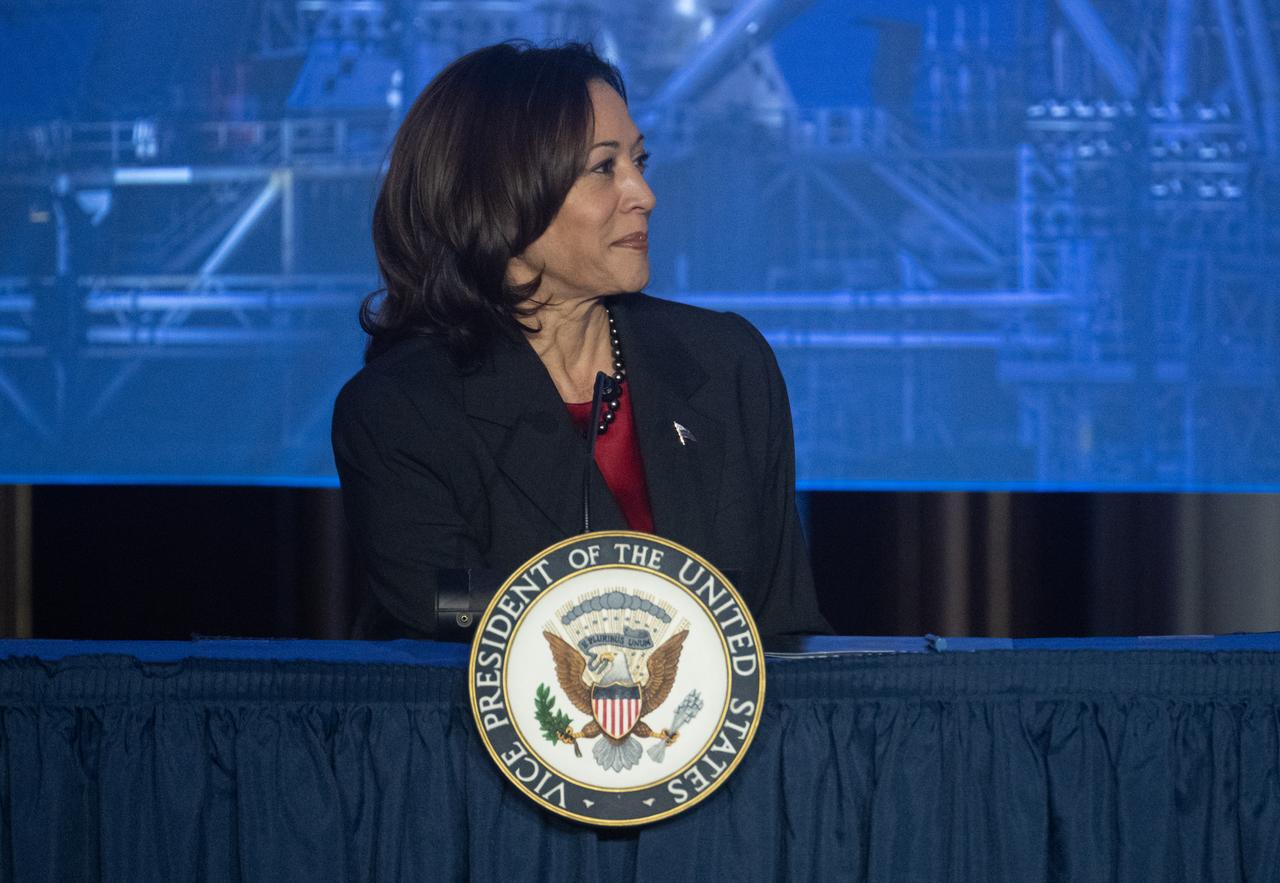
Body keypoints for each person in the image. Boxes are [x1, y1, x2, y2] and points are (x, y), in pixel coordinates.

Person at [332, 41, 829, 641]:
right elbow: (444, 608)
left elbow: (783, 626)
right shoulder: (400, 411)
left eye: (639, 162)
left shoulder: (727, 363)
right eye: (603, 168)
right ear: (501, 192)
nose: (644, 195)